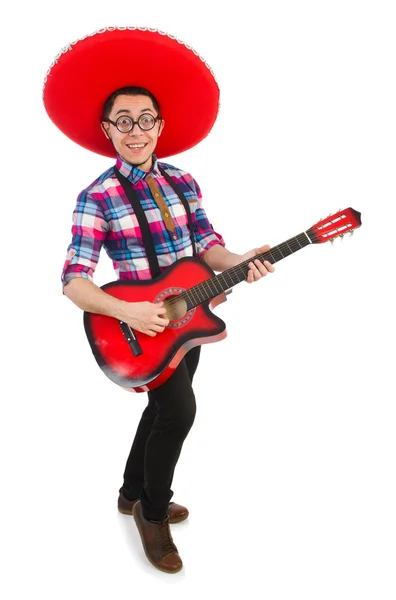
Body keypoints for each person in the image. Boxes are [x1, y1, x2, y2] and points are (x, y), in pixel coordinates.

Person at [43, 27, 275, 575]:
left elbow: (209, 247)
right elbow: (73, 280)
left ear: (160, 126)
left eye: (145, 119)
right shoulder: (96, 195)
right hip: (139, 325)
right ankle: (152, 512)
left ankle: (128, 491)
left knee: (162, 408)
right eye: (122, 121)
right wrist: (127, 311)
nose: (135, 130)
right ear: (108, 130)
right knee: (178, 410)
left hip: (189, 316)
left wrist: (243, 261)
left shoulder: (185, 181)